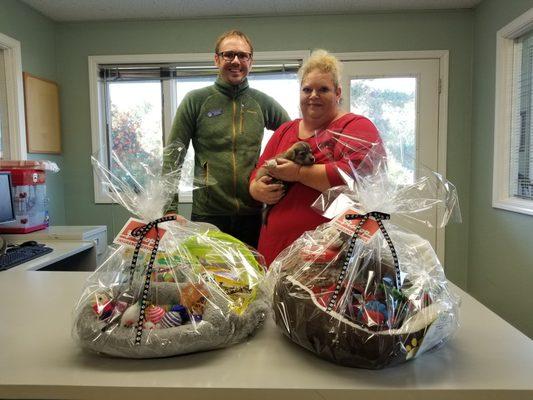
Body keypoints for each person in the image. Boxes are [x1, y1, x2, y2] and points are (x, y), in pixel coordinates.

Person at [249, 49, 384, 266]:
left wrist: (299, 173)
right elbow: (258, 171)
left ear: (338, 92)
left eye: (323, 89)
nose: (313, 95)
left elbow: (354, 179)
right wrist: (256, 188)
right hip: (275, 249)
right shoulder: (285, 130)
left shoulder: (356, 127)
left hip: (327, 255)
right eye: (307, 89)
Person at [163, 30, 290, 248]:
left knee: (253, 277)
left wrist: (276, 182)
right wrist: (169, 210)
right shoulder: (196, 100)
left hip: (252, 213)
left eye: (243, 55)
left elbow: (293, 139)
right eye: (228, 54)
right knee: (208, 279)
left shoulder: (261, 102)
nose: (236, 61)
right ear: (216, 59)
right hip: (208, 215)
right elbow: (173, 156)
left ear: (251, 61)